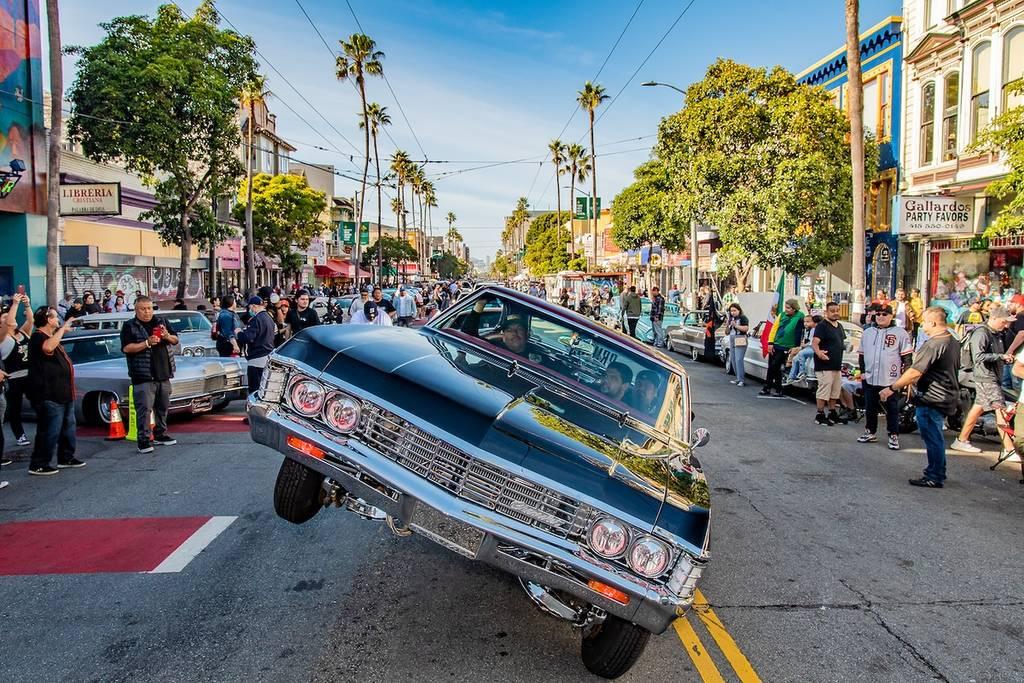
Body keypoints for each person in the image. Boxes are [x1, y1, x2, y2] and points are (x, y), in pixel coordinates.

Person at [880, 307, 961, 488]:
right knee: (936, 436)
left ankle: (934, 475)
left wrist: (892, 388)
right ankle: (938, 471)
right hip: (945, 394)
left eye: (924, 322)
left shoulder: (934, 344)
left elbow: (915, 372)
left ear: (933, 322)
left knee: (932, 436)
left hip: (932, 397)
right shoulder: (952, 339)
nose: (923, 325)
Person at [951, 305, 1016, 458]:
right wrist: (1001, 357)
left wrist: (1003, 358)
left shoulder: (997, 333)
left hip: (990, 376)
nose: (1006, 325)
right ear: (994, 318)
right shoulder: (981, 333)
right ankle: (1009, 449)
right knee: (1000, 410)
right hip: (986, 377)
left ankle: (961, 439)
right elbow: (978, 357)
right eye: (1004, 321)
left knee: (977, 408)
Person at [27, 306, 85, 475]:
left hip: (63, 392)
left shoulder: (51, 336)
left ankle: (66, 457)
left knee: (68, 427)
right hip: (49, 393)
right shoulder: (38, 337)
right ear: (47, 319)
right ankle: (39, 463)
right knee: (49, 430)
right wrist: (62, 330)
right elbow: (48, 348)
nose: (58, 319)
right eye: (54, 316)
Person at [120, 296, 180, 454]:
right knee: (144, 410)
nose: (147, 312)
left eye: (149, 308)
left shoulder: (162, 321)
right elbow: (126, 348)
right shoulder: (129, 326)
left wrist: (166, 336)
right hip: (143, 375)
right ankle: (144, 440)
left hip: (164, 373)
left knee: (163, 407)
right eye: (143, 309)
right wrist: (146, 343)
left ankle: (161, 434)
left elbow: (175, 340)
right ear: (136, 310)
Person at [857, 305, 913, 449]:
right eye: (878, 314)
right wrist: (862, 372)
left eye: (885, 314)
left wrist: (905, 378)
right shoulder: (868, 332)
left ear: (891, 316)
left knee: (892, 409)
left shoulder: (900, 333)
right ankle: (870, 431)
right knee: (870, 407)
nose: (881, 317)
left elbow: (907, 358)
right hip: (870, 377)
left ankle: (893, 435)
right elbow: (861, 355)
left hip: (890, 379)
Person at [1, 293, 32, 447]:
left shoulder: (23, 333)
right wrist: (14, 304)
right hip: (14, 378)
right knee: (15, 408)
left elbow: (31, 321)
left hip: (29, 375)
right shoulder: (3, 338)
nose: (10, 319)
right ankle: (19, 434)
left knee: (40, 402)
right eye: (4, 318)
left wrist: (27, 305)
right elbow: (8, 323)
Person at [811, 301, 847, 426]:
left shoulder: (839, 326)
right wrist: (819, 353)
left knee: (835, 390)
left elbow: (841, 342)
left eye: (837, 310)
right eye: (832, 311)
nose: (835, 313)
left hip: (836, 364)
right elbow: (815, 342)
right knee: (824, 389)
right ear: (826, 312)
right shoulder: (822, 326)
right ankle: (820, 414)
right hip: (824, 365)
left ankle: (832, 413)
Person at [761, 298, 804, 397]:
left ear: (794, 308)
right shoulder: (782, 315)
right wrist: (770, 342)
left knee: (776, 366)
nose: (786, 310)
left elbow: (799, 333)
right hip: (776, 343)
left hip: (787, 346)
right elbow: (774, 328)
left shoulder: (800, 317)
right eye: (785, 307)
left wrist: (796, 347)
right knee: (771, 366)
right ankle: (767, 387)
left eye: (788, 308)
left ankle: (778, 388)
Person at [236, 296, 276, 395]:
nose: (250, 310)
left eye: (250, 308)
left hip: (256, 358)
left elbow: (248, 337)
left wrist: (239, 333)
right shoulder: (269, 318)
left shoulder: (256, 319)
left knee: (255, 389)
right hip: (267, 355)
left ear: (254, 306)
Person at [786, 315, 819, 384]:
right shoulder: (807, 330)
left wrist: (803, 346)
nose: (805, 324)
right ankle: (791, 377)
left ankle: (802, 373)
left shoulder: (814, 330)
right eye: (804, 322)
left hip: (814, 348)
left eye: (808, 322)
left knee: (801, 353)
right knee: (795, 359)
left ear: (813, 322)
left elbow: (812, 342)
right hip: (808, 347)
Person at [725, 304, 749, 387]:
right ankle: (738, 378)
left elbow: (746, 329)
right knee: (733, 359)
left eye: (734, 310)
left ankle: (741, 379)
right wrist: (728, 325)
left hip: (740, 337)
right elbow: (727, 332)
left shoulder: (742, 318)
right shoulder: (731, 319)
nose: (733, 312)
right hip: (732, 337)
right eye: (731, 311)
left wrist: (736, 326)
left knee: (739, 359)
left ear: (739, 310)